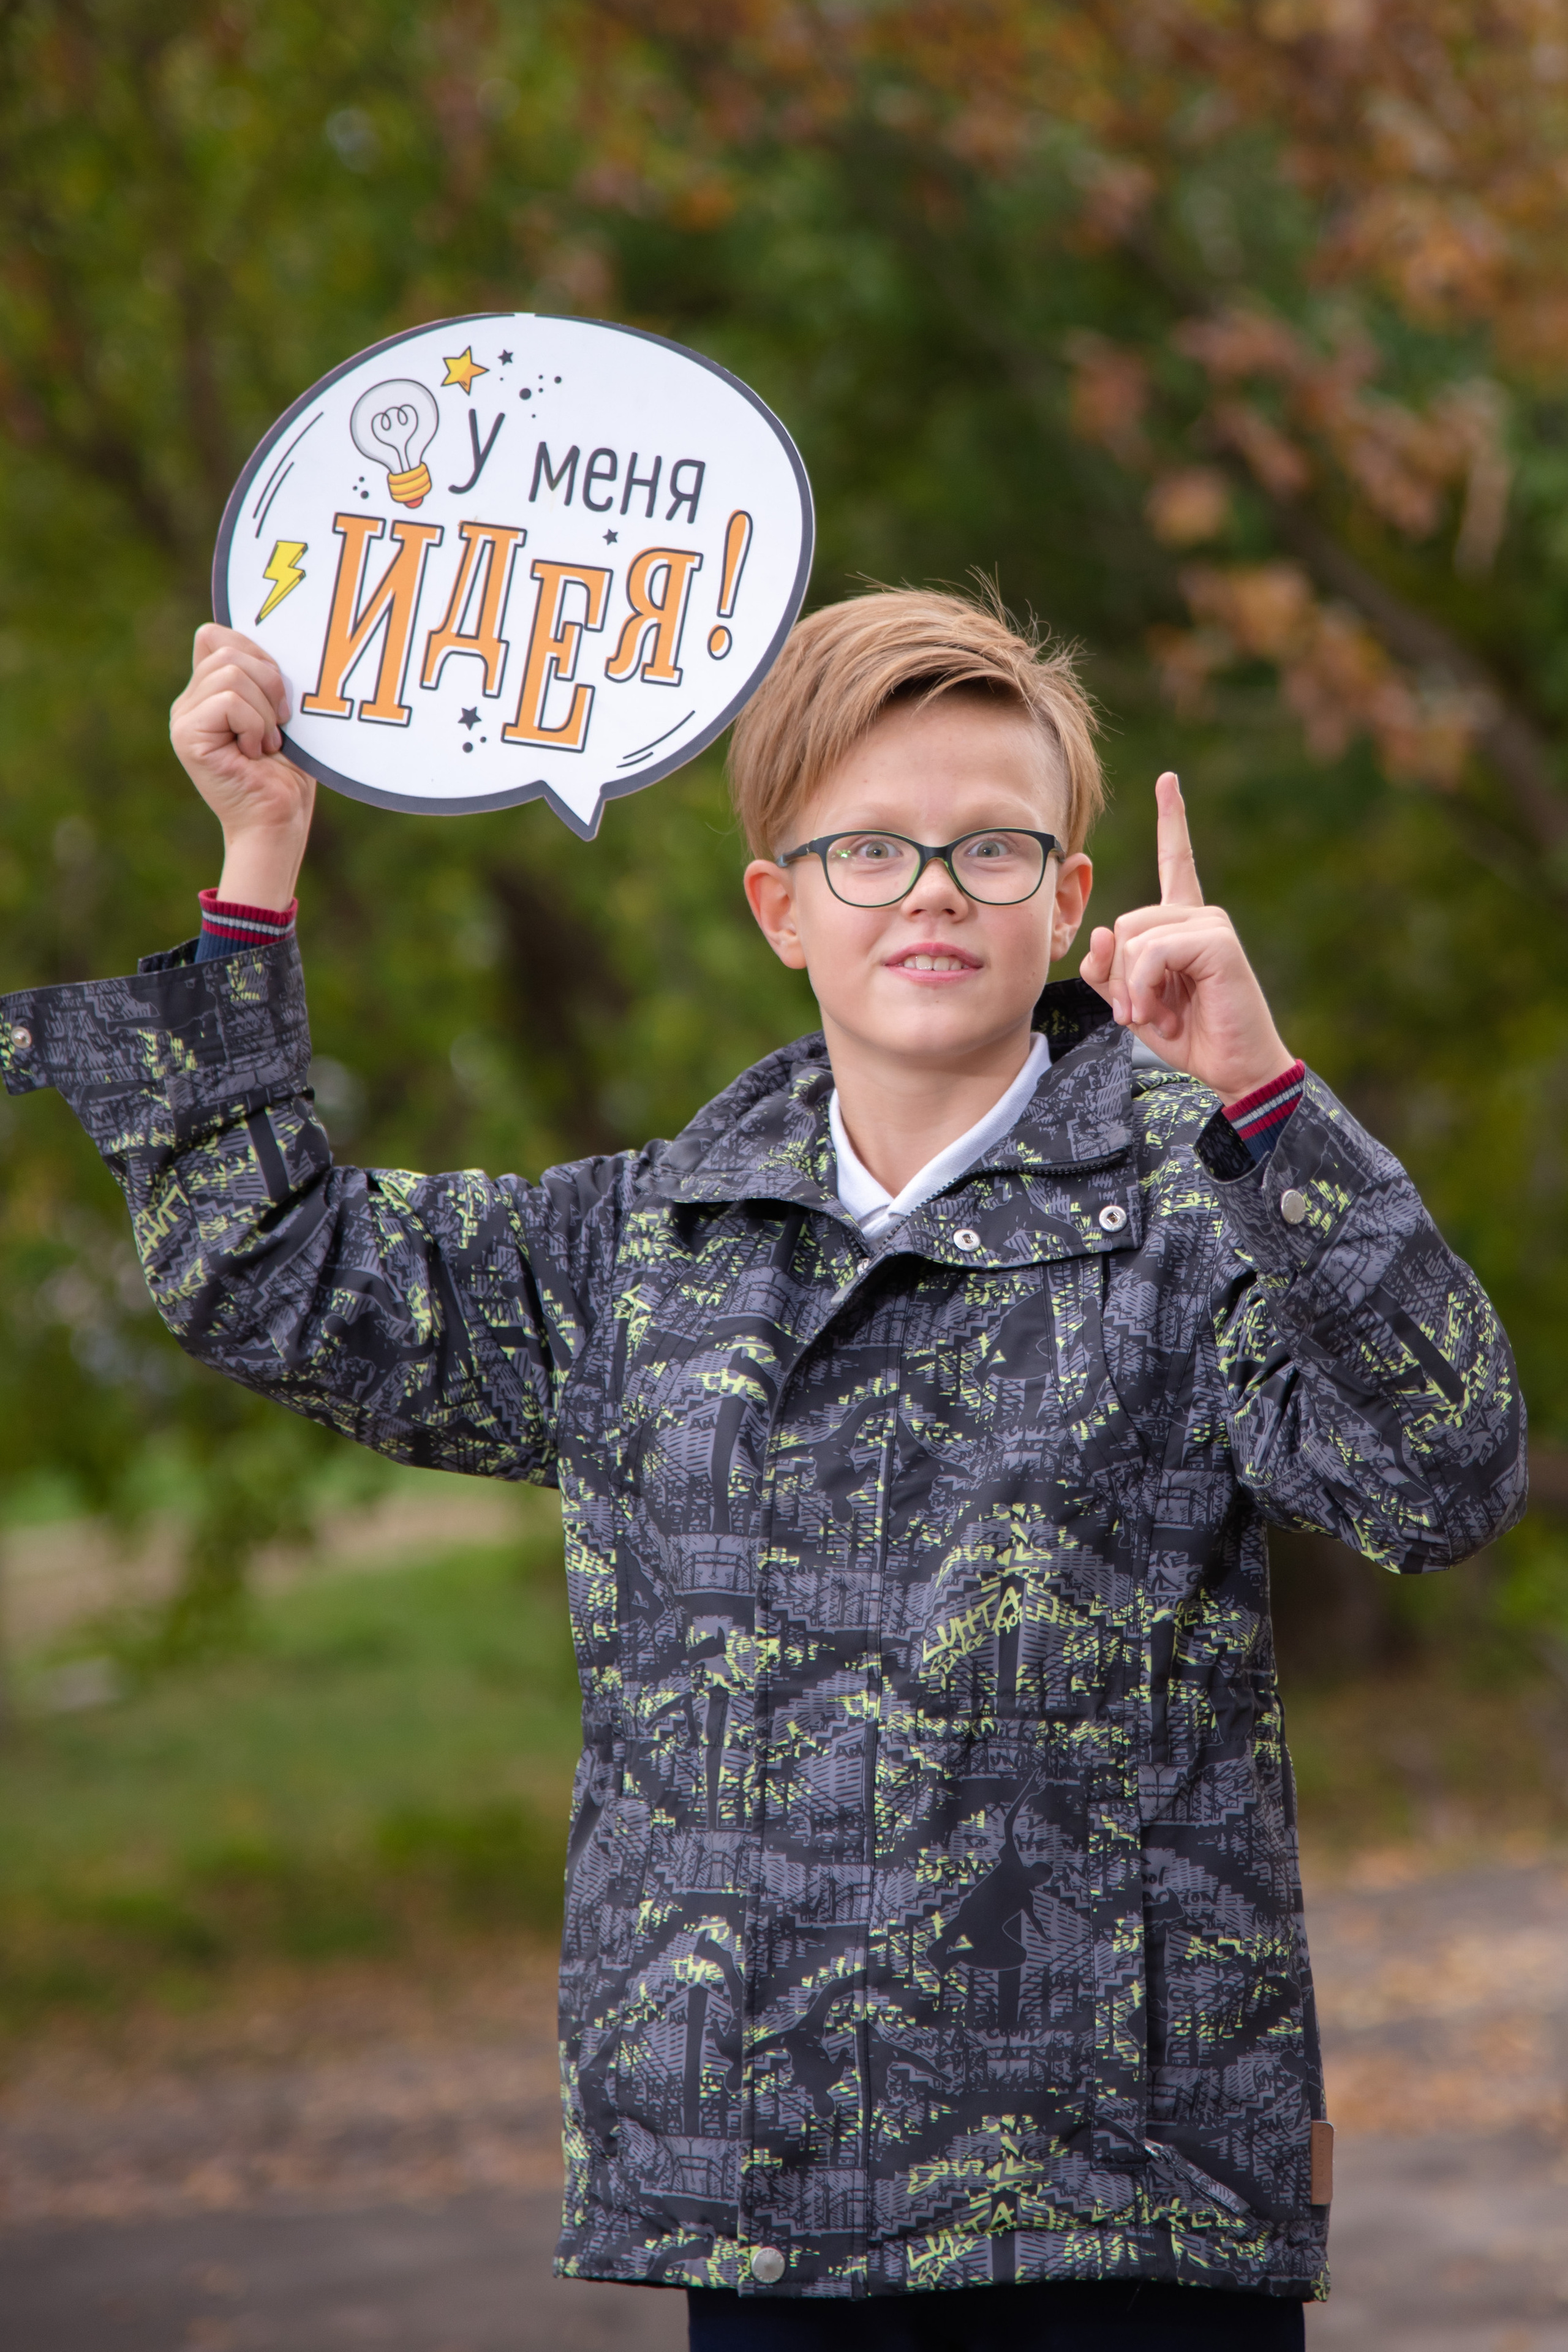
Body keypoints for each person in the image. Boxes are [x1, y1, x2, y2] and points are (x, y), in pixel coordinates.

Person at [0, 588, 1525, 2350]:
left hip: (1130, 2219)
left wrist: (1264, 1097)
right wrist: (256, 860)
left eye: (994, 846)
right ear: (779, 907)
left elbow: (1447, 1472)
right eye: (869, 850)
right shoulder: (643, 1247)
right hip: (768, 2213)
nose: (937, 889)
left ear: (1075, 899)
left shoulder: (1208, 1213)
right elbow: (272, 1273)